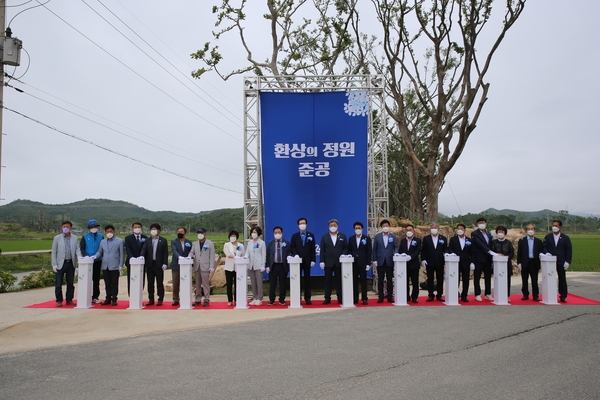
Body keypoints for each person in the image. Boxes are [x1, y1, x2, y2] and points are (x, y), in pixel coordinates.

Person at [542, 220, 572, 303]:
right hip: (550, 261)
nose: (554, 227)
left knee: (562, 278)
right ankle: (549, 294)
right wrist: (546, 253)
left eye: (556, 225)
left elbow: (568, 250)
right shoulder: (548, 237)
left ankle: (563, 295)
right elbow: (544, 246)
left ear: (560, 227)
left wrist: (567, 261)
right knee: (549, 277)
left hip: (561, 261)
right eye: (553, 225)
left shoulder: (565, 238)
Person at [319, 219, 348, 305]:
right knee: (328, 281)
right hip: (328, 262)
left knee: (339, 281)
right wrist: (322, 261)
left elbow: (346, 247)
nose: (333, 227)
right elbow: (322, 250)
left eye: (334, 225)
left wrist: (343, 254)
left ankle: (340, 298)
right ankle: (327, 298)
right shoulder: (324, 237)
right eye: (331, 225)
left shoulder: (342, 236)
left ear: (337, 226)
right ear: (329, 227)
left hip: (339, 262)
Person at [94, 225, 124, 306]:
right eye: (107, 231)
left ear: (114, 231)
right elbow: (100, 252)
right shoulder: (103, 242)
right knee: (107, 283)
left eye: (111, 231)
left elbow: (122, 254)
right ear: (105, 232)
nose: (109, 233)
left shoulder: (119, 241)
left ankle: (114, 298)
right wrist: (94, 256)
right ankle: (108, 298)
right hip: (105, 265)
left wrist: (121, 265)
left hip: (115, 265)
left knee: (114, 283)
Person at [51, 221, 79, 307]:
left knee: (70, 283)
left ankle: (69, 299)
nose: (65, 228)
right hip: (60, 263)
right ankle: (59, 300)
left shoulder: (75, 238)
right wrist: (54, 264)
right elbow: (54, 251)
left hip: (70, 263)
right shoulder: (57, 238)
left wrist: (80, 259)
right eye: (64, 226)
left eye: (67, 226)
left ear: (70, 228)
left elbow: (77, 250)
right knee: (58, 283)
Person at [290, 217, 316, 305]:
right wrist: (295, 254)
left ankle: (307, 298)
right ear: (298, 225)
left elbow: (313, 248)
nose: (302, 225)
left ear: (306, 224)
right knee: (298, 279)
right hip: (298, 260)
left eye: (304, 223)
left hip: (308, 260)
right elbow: (292, 247)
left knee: (307, 280)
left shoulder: (311, 235)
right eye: (301, 223)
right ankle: (298, 297)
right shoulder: (294, 236)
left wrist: (313, 260)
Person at [140, 223, 168, 306]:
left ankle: (160, 299)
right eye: (152, 229)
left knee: (159, 282)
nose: (153, 231)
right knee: (150, 283)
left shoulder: (163, 240)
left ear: (159, 230)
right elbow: (144, 250)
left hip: (159, 264)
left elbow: (165, 253)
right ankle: (151, 299)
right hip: (149, 264)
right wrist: (141, 256)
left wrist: (165, 263)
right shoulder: (147, 240)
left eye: (155, 229)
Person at [372, 219, 398, 303]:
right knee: (380, 279)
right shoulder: (377, 236)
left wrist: (396, 254)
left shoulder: (392, 237)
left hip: (390, 260)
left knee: (390, 279)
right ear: (381, 227)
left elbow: (396, 247)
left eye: (387, 226)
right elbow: (374, 249)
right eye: (384, 226)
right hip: (380, 260)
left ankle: (390, 296)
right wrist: (374, 260)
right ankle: (381, 296)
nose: (385, 227)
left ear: (389, 227)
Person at [420, 222, 448, 301]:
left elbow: (446, 249)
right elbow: (423, 250)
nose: (434, 229)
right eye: (432, 228)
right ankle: (431, 295)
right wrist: (423, 259)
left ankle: (439, 295)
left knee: (440, 279)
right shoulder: (426, 238)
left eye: (435, 228)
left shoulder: (443, 238)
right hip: (429, 262)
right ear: (430, 229)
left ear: (438, 229)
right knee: (430, 279)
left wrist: (446, 254)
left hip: (440, 261)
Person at [447, 223, 474, 302]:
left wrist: (472, 262)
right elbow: (450, 249)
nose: (460, 230)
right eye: (458, 229)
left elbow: (472, 252)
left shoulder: (469, 240)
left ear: (465, 230)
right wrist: (452, 253)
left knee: (466, 279)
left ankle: (464, 295)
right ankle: (455, 293)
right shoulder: (453, 239)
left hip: (466, 262)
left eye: (461, 229)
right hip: (456, 262)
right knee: (456, 279)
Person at [347, 221, 372, 305]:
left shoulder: (366, 238)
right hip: (354, 263)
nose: (358, 230)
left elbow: (369, 251)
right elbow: (349, 249)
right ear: (354, 229)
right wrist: (350, 255)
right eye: (356, 228)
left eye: (359, 228)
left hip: (363, 263)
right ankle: (355, 298)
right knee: (354, 281)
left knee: (363, 281)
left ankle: (364, 298)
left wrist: (368, 263)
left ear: (362, 229)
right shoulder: (351, 238)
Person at [189, 228, 215, 307]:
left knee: (205, 283)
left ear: (205, 234)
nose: (200, 234)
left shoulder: (210, 243)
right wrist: (189, 257)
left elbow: (212, 255)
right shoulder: (195, 243)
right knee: (197, 283)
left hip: (205, 266)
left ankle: (206, 299)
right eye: (199, 233)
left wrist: (211, 266)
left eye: (201, 232)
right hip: (197, 266)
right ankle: (198, 299)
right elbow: (192, 252)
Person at [79, 219, 103, 304]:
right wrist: (85, 256)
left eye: (95, 226)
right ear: (89, 228)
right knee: (87, 279)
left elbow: (102, 248)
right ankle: (86, 295)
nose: (93, 228)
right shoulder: (85, 236)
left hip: (97, 260)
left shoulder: (101, 236)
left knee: (96, 279)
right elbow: (82, 247)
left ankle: (95, 296)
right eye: (92, 227)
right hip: (87, 261)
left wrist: (97, 256)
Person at [266, 226, 291, 305]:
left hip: (283, 265)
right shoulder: (270, 243)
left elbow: (290, 252)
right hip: (273, 265)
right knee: (273, 283)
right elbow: (268, 255)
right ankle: (272, 299)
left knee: (283, 283)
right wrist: (267, 266)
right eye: (275, 233)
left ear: (282, 233)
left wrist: (289, 256)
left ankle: (282, 299)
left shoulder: (286, 243)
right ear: (273, 233)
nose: (277, 234)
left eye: (279, 232)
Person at [471, 217, 494, 301]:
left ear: (486, 223)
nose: (482, 224)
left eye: (483, 222)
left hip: (488, 259)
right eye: (480, 222)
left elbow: (491, 244)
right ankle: (477, 294)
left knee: (488, 277)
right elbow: (479, 244)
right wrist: (489, 251)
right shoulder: (475, 233)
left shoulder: (489, 233)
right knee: (477, 277)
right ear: (477, 224)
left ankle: (488, 293)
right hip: (478, 258)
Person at [517, 224, 543, 301]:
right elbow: (519, 252)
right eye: (528, 229)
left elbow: (541, 251)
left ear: (534, 230)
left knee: (534, 280)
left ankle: (535, 295)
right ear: (526, 230)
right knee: (524, 280)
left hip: (534, 263)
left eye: (532, 229)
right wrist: (519, 263)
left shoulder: (538, 241)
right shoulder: (522, 241)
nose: (530, 231)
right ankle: (525, 294)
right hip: (525, 262)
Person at [398, 224, 422, 303]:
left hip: (414, 264)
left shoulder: (417, 240)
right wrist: (403, 255)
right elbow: (401, 250)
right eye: (407, 230)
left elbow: (418, 251)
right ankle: (406, 296)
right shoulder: (403, 241)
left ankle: (414, 296)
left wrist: (411, 257)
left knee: (415, 281)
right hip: (405, 264)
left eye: (410, 230)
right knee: (405, 282)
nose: (409, 231)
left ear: (413, 231)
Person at [170, 227, 192, 306]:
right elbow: (174, 250)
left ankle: (186, 298)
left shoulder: (189, 242)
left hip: (186, 265)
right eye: (178, 231)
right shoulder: (174, 241)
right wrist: (179, 257)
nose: (180, 233)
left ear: (185, 233)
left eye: (181, 231)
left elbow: (191, 252)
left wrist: (189, 257)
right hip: (176, 264)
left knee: (186, 282)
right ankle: (176, 299)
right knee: (176, 283)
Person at [490, 225, 514, 300]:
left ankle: (507, 295)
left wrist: (506, 256)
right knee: (498, 279)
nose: (500, 233)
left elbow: (512, 253)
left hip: (507, 263)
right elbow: (491, 251)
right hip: (497, 264)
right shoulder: (493, 242)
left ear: (505, 233)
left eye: (502, 231)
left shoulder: (508, 242)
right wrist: (497, 255)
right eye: (499, 231)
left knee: (507, 280)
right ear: (496, 233)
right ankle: (498, 294)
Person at [124, 222, 147, 296]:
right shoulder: (128, 238)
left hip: (141, 262)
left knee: (141, 279)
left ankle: (139, 295)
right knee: (131, 279)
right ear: (132, 228)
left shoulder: (145, 238)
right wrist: (131, 257)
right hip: (131, 262)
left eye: (138, 227)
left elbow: (146, 249)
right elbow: (128, 248)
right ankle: (132, 296)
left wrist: (142, 256)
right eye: (135, 227)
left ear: (141, 228)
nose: (137, 228)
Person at [245, 226, 266, 306]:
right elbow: (247, 252)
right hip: (251, 265)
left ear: (258, 233)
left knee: (259, 282)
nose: (254, 234)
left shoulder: (262, 243)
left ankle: (259, 298)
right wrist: (246, 257)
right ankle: (255, 297)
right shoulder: (250, 242)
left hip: (258, 265)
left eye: (255, 232)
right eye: (253, 232)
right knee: (253, 282)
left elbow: (263, 254)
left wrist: (263, 264)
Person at [223, 230, 244, 306]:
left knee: (237, 284)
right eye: (231, 236)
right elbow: (227, 254)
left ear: (237, 237)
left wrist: (241, 258)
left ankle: (236, 299)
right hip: (229, 267)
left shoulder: (241, 245)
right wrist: (235, 257)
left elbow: (243, 254)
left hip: (238, 267)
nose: (232, 237)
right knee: (229, 284)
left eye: (234, 236)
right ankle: (230, 300)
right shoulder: (227, 245)